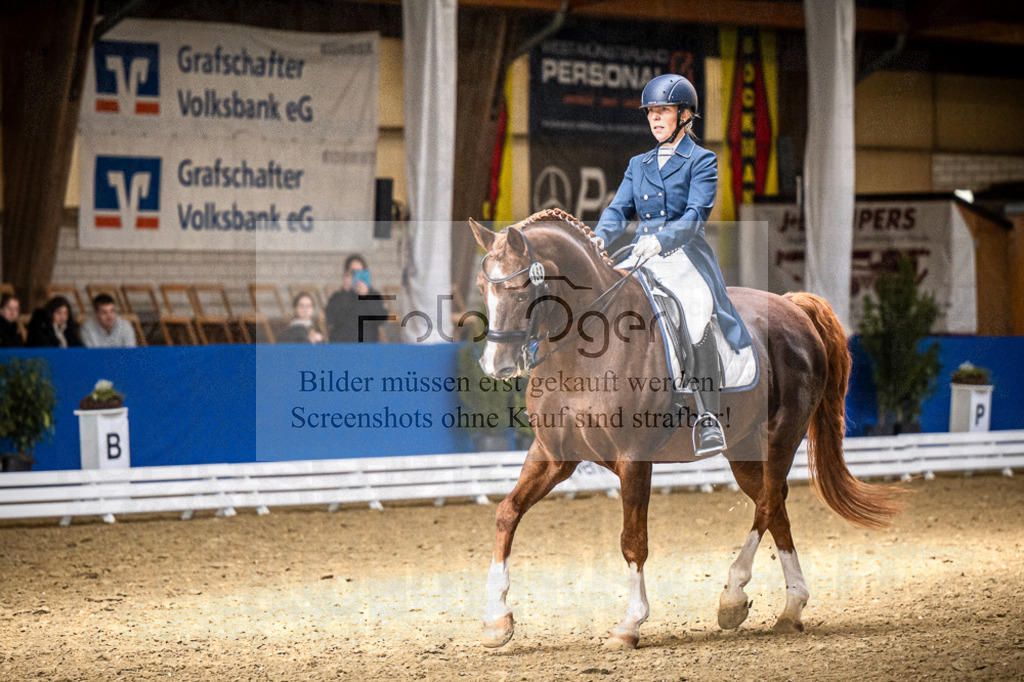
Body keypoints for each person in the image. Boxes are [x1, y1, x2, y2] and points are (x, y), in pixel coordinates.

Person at [594, 74, 753, 458]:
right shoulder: (639, 163)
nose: (655, 118)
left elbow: (696, 215)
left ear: (684, 115)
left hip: (684, 256)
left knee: (695, 310)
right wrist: (599, 236)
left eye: (663, 111)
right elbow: (619, 208)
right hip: (642, 252)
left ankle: (707, 417)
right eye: (651, 112)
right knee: (605, 299)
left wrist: (661, 239)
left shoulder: (702, 160)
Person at [325, 254, 390, 343]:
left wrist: (366, 296)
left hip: (367, 345)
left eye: (360, 273)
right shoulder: (338, 296)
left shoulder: (373, 295)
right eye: (353, 273)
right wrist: (345, 293)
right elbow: (331, 318)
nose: (356, 277)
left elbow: (381, 320)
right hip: (342, 344)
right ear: (346, 273)